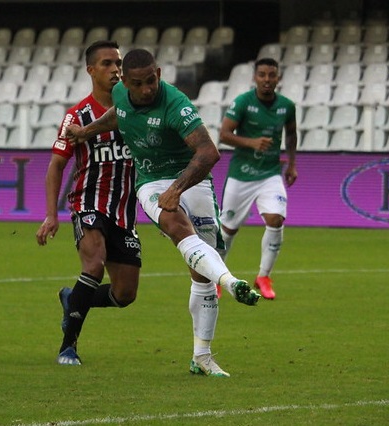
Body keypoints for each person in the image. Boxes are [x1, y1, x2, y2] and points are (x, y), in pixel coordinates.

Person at [66, 48, 260, 378]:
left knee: (201, 274)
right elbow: (119, 114)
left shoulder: (176, 105)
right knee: (174, 224)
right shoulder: (120, 93)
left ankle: (201, 356)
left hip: (191, 178)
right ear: (125, 81)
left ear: (159, 72)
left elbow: (209, 153)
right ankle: (230, 281)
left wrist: (178, 188)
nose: (146, 90)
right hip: (151, 181)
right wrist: (86, 132)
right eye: (137, 84)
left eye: (151, 81)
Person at [35, 40, 140, 366]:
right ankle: (69, 346)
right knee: (93, 265)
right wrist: (51, 215)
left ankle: (73, 297)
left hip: (124, 213)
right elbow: (56, 165)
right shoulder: (76, 116)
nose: (115, 70)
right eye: (107, 64)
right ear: (91, 70)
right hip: (88, 204)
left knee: (125, 295)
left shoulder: (135, 110)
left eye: (118, 64)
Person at [216, 57, 298, 300]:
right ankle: (216, 278)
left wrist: (292, 164)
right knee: (228, 229)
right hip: (241, 175)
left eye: (271, 75)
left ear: (278, 78)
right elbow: (223, 134)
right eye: (262, 75)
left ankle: (263, 276)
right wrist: (251, 142)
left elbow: (291, 134)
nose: (267, 80)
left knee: (275, 218)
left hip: (270, 175)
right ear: (255, 77)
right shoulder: (243, 102)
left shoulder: (287, 106)